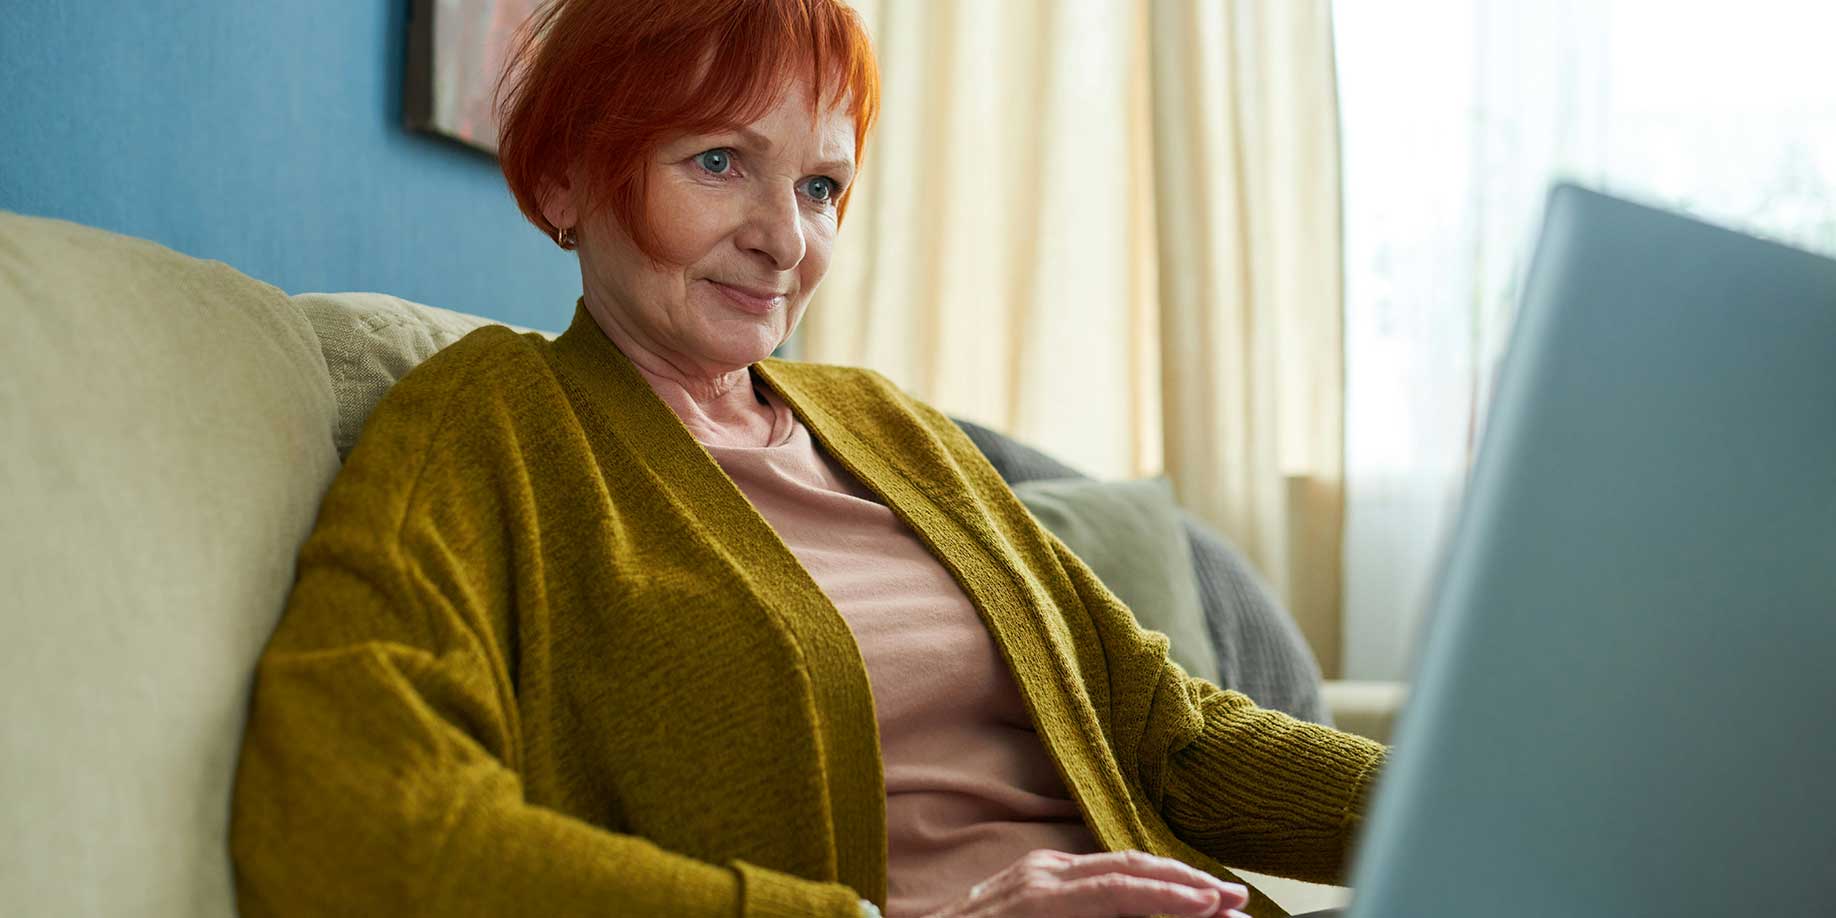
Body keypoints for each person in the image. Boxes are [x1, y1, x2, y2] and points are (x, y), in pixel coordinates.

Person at [228, 1, 1385, 916]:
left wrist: (1484, 807)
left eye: (820, 184)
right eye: (720, 162)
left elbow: (1167, 736)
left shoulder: (887, 427)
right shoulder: (488, 429)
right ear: (567, 174)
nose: (786, 239)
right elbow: (352, 819)